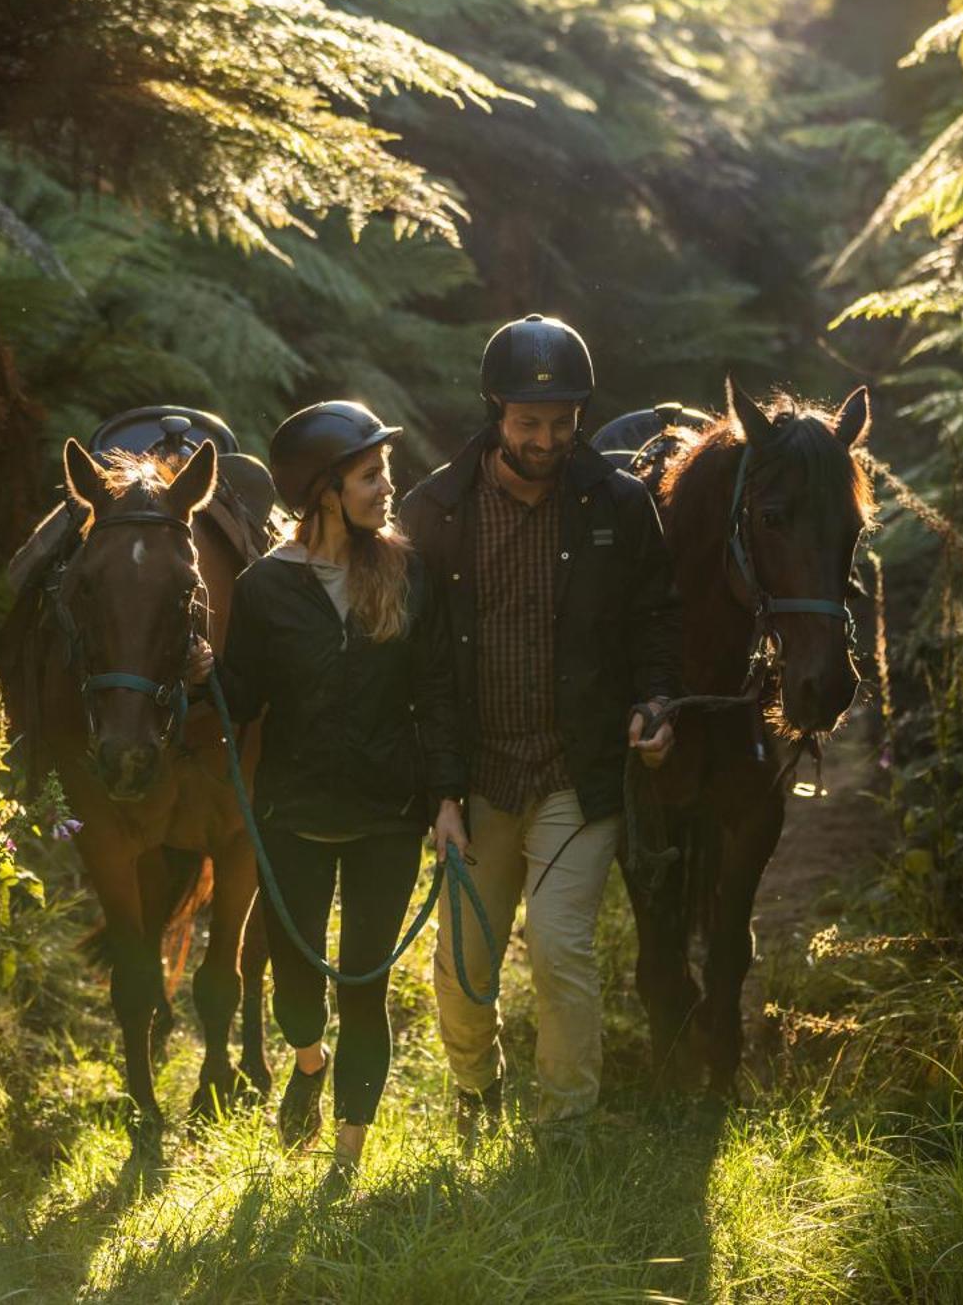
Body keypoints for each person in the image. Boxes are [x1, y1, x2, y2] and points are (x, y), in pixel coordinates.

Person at [397, 313, 681, 1132]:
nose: (548, 439)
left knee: (561, 951)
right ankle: (476, 1091)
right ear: (495, 410)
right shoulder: (436, 511)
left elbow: (657, 622)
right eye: (529, 423)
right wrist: (441, 792)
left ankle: (564, 1127)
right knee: (462, 965)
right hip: (477, 777)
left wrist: (657, 705)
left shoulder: (620, 507)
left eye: (563, 423)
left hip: (576, 773)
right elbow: (424, 670)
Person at [198, 400, 468, 1176]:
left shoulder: (408, 572)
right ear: (323, 490)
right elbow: (242, 697)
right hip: (293, 816)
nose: (387, 486)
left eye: (384, 471)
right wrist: (199, 679)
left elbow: (438, 691)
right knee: (295, 995)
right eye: (368, 474)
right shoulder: (262, 589)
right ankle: (308, 1062)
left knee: (365, 990)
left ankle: (345, 1159)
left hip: (389, 813)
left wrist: (446, 799)